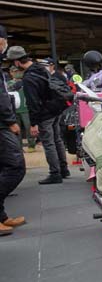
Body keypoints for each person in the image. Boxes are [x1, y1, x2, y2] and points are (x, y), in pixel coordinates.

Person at [6, 46, 70, 184]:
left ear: (17, 62)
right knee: (57, 139)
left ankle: (55, 173)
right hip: (56, 107)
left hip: (45, 112)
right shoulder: (40, 68)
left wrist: (34, 123)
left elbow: (33, 102)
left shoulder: (28, 78)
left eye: (13, 63)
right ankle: (64, 169)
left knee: (48, 142)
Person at [0, 27, 27, 236]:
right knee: (16, 166)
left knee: (6, 167)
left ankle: (2, 217)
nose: (4, 45)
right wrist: (10, 121)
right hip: (2, 124)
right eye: (3, 41)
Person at [7, 66, 36, 152]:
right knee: (17, 129)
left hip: (25, 108)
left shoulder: (25, 82)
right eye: (14, 72)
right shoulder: (8, 83)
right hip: (14, 110)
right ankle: (19, 147)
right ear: (11, 73)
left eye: (18, 71)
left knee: (28, 127)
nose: (17, 73)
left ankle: (31, 145)